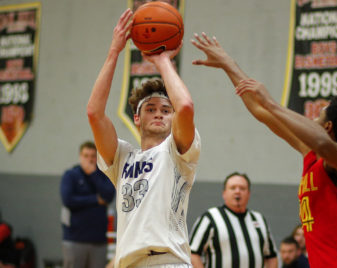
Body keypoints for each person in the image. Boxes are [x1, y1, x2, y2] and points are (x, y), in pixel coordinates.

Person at [191, 32, 337, 267]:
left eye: (317, 118)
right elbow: (261, 111)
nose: (311, 121)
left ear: (328, 127)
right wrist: (228, 64)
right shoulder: (313, 157)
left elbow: (321, 142)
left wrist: (272, 102)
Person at [87, 9, 200, 268]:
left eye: (165, 110)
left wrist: (162, 61)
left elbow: (185, 107)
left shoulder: (178, 151)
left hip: (169, 262)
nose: (159, 114)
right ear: (137, 119)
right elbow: (94, 113)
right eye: (151, 109)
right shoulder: (122, 157)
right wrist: (114, 52)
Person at [189, 172, 278, 268]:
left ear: (248, 194)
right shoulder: (210, 218)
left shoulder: (259, 219)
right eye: (233, 188)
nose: (237, 191)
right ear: (224, 193)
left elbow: (271, 256)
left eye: (242, 188)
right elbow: (192, 254)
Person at [60, 141, 115, 268]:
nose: (89, 160)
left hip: (98, 240)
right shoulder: (71, 175)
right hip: (75, 239)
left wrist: (93, 174)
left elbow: (109, 196)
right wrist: (96, 199)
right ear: (80, 156)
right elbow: (68, 200)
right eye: (86, 156)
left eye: (93, 156)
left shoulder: (102, 175)